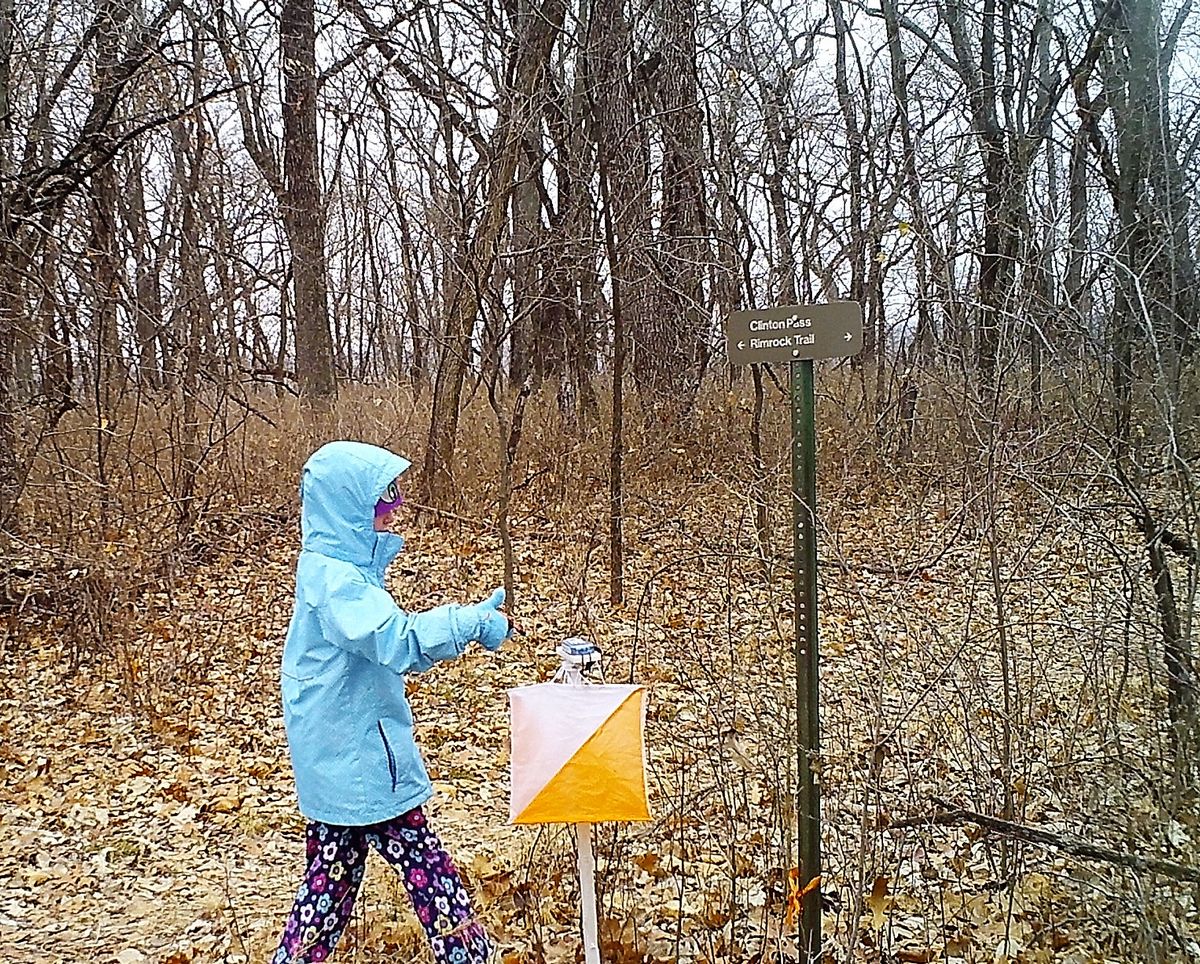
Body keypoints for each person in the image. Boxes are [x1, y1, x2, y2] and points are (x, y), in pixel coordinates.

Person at [271, 440, 511, 964]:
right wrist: (466, 622)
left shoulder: (337, 572)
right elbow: (396, 639)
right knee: (429, 873)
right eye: (384, 497)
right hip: (359, 762)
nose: (396, 507)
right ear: (349, 510)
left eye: (396, 494)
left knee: (326, 892)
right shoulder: (336, 582)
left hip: (343, 760)